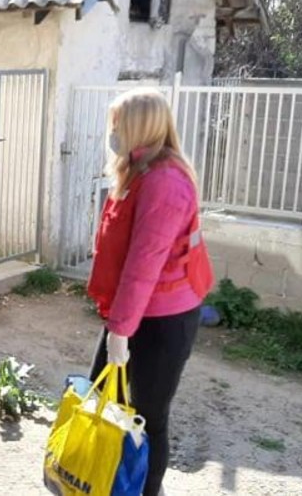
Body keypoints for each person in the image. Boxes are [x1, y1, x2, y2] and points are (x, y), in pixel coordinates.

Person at [86, 88, 214, 496]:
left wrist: (120, 331)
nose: (113, 132)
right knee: (104, 403)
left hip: (162, 320)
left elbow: (144, 266)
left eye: (118, 124)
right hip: (133, 314)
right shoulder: (137, 171)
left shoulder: (164, 182)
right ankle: (102, 483)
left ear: (140, 127)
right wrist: (118, 324)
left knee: (147, 417)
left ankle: (144, 491)